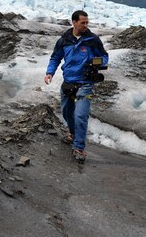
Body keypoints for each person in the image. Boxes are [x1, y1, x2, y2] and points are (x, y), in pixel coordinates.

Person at [44, 10, 108, 162]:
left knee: (80, 115)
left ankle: (79, 147)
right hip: (69, 83)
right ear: (74, 22)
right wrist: (49, 72)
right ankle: (72, 134)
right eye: (82, 23)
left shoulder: (93, 40)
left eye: (87, 22)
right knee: (67, 112)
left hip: (85, 84)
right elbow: (55, 58)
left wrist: (98, 62)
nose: (86, 25)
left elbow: (104, 56)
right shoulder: (64, 40)